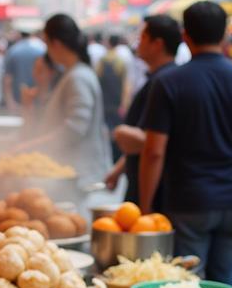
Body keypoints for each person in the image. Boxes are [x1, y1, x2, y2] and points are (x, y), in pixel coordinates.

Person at [139, 1, 232, 288]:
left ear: (186, 36)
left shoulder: (169, 82)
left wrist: (146, 208)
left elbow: (154, 151)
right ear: (225, 35)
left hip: (189, 199)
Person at [18, 13, 111, 185]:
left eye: (46, 43)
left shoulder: (78, 77)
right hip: (72, 173)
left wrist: (33, 146)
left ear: (56, 44)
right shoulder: (73, 74)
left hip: (78, 175)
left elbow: (74, 129)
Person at [103, 14, 181, 204]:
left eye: (143, 37)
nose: (138, 43)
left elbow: (153, 145)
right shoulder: (159, 80)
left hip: (155, 188)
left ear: (157, 44)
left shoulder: (164, 84)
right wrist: (119, 170)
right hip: (142, 179)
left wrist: (145, 205)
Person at [97, 34, 129, 158]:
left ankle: (110, 155)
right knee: (118, 131)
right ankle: (118, 154)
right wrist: (124, 104)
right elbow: (126, 85)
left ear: (109, 43)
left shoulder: (102, 60)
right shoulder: (121, 61)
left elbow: (97, 80)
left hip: (105, 101)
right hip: (117, 102)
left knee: (107, 131)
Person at [3, 31, 46, 111]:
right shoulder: (42, 49)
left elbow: (7, 78)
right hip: (38, 99)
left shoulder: (13, 50)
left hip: (17, 98)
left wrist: (9, 101)